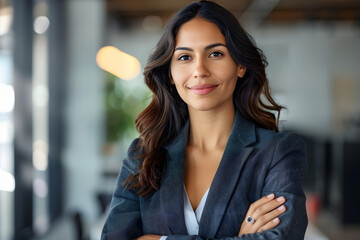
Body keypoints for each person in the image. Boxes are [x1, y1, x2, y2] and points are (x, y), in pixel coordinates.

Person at [101, 1, 307, 239]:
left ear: (240, 65)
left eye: (215, 53)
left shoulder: (277, 153)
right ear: (170, 72)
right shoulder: (142, 155)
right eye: (185, 57)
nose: (199, 70)